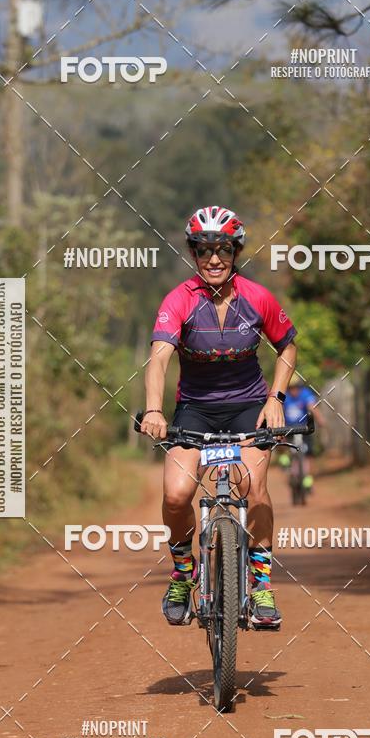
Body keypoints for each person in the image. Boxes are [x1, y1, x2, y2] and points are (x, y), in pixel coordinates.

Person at [140, 205, 298, 628]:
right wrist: (155, 409)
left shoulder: (257, 297)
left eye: (223, 249)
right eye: (205, 249)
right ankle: (182, 573)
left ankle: (261, 584)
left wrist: (277, 399)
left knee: (256, 489)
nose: (214, 259)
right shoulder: (179, 300)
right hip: (196, 410)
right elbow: (158, 360)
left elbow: (287, 345)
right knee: (175, 495)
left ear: (236, 251)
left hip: (249, 405)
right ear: (193, 252)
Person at [281, 375, 326, 490]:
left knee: (309, 453)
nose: (294, 390)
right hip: (289, 428)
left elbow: (312, 407)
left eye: (296, 387)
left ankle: (307, 480)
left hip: (304, 428)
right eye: (291, 388)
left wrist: (320, 419)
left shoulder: (305, 394)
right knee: (282, 443)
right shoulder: (284, 396)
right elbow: (280, 411)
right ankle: (286, 461)